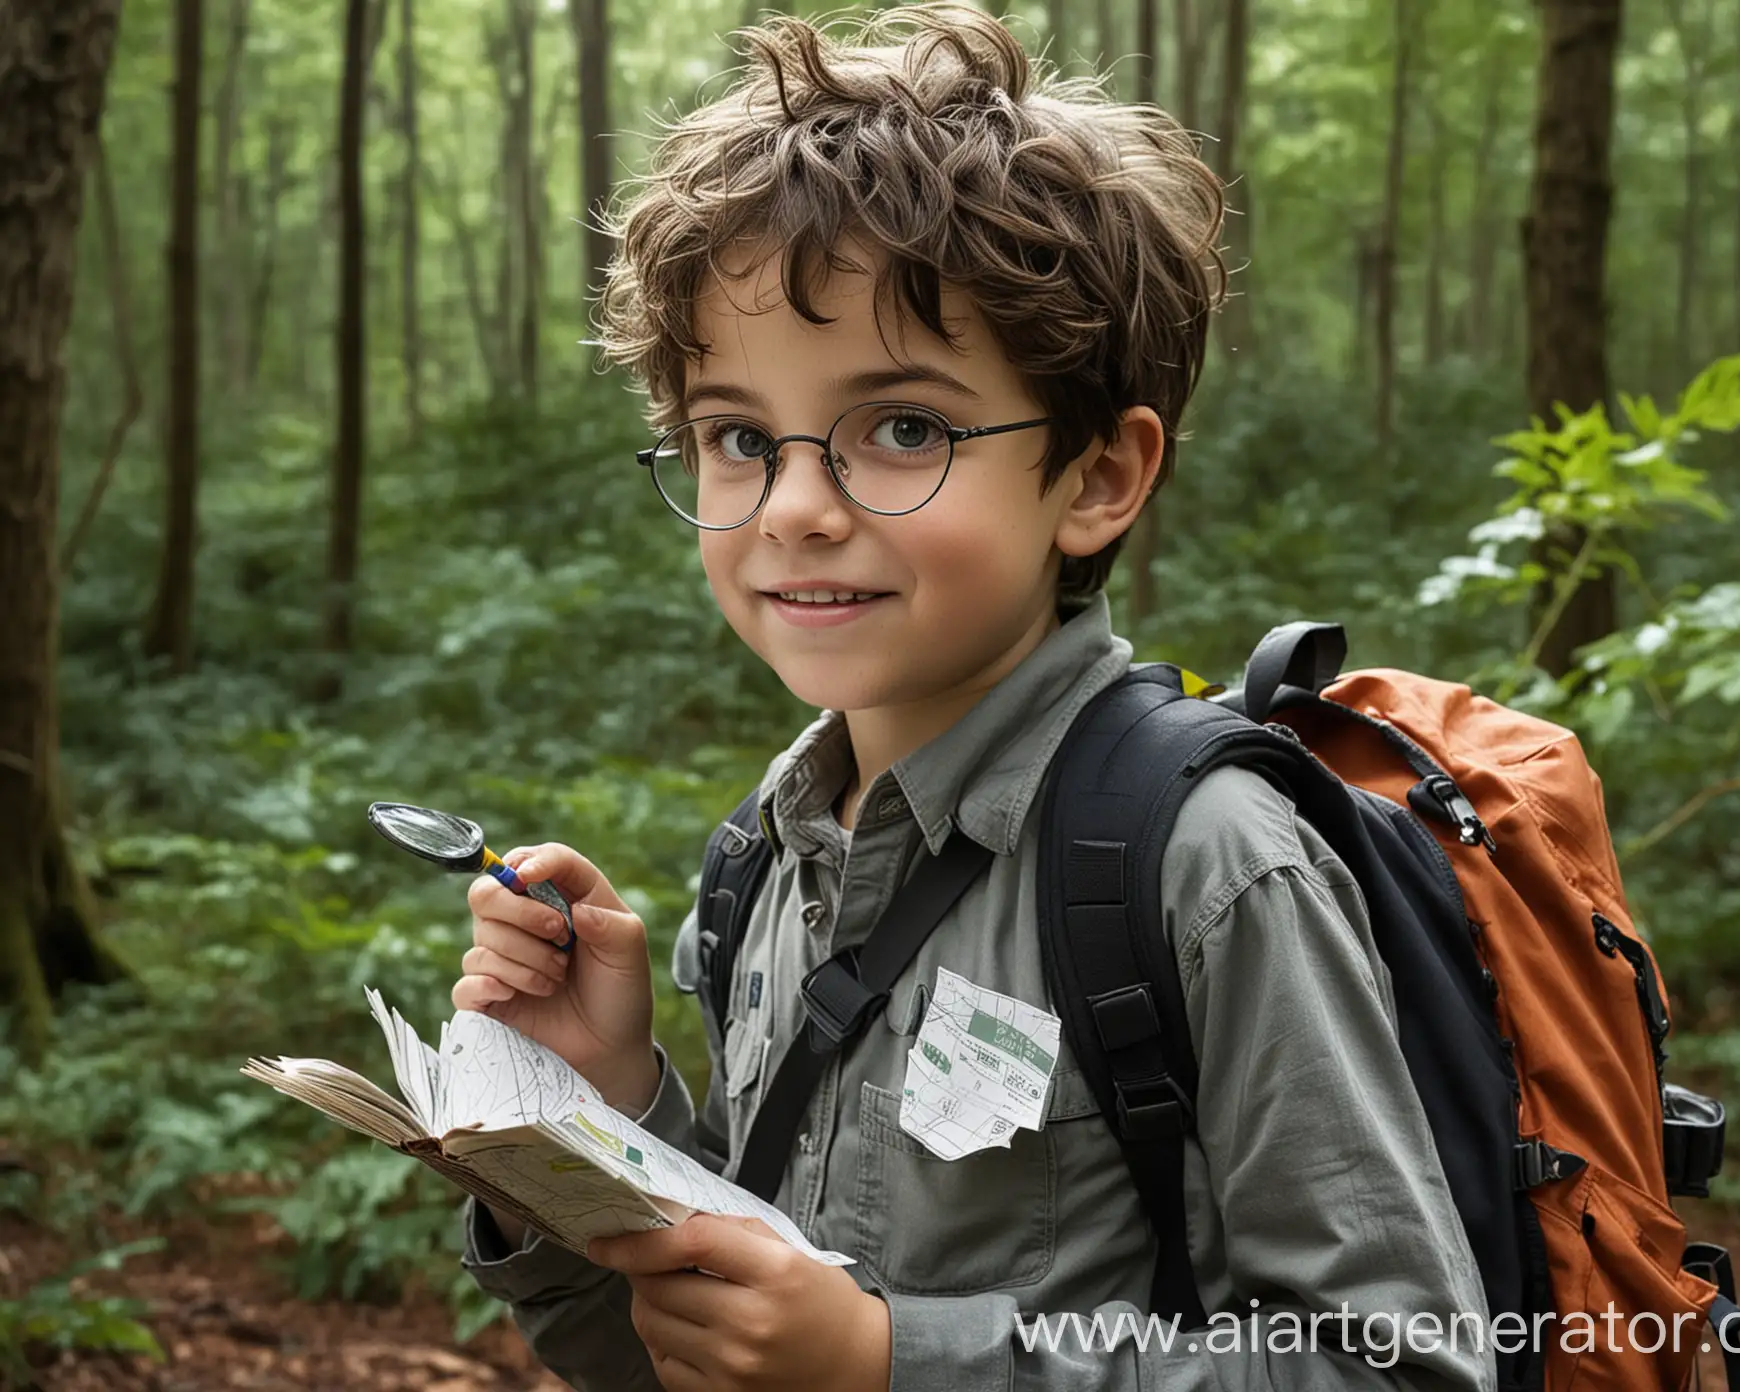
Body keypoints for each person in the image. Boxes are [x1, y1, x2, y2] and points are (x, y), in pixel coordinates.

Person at [451, 6, 1497, 1390]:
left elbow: (1405, 1366)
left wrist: (895, 1364)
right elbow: (693, 1355)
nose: (799, 508)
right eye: (738, 438)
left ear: (1100, 478)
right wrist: (605, 1109)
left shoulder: (1205, 865)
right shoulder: (765, 862)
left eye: (905, 429)